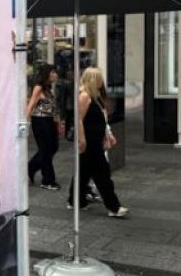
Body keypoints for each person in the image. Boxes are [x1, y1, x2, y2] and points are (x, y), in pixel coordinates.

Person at [68, 67, 128, 217]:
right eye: (99, 78)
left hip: (94, 140)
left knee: (83, 172)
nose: (102, 82)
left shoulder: (94, 96)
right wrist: (82, 139)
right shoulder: (84, 96)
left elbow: (100, 118)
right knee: (102, 173)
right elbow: (79, 120)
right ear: (92, 80)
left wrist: (106, 134)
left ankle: (76, 200)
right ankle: (114, 207)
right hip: (90, 142)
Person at [27, 64, 62, 190]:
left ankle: (31, 167)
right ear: (47, 73)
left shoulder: (48, 88)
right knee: (46, 150)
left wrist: (58, 122)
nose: (55, 75)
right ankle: (47, 180)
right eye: (53, 72)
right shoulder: (39, 87)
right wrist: (25, 122)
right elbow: (31, 104)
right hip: (39, 120)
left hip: (49, 120)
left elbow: (53, 107)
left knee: (53, 147)